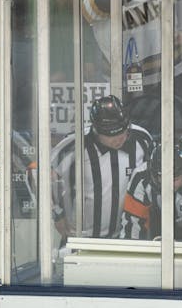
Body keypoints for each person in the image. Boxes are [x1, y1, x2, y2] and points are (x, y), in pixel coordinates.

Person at [50, 95, 155, 239]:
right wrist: (57, 213)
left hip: (128, 237)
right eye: (111, 135)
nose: (119, 139)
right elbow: (40, 172)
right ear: (97, 131)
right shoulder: (76, 144)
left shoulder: (142, 139)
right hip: (82, 238)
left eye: (123, 132)